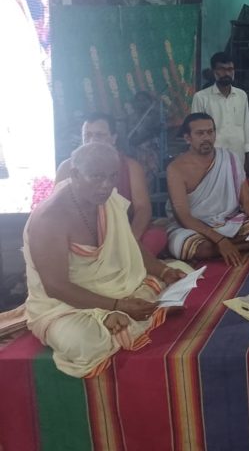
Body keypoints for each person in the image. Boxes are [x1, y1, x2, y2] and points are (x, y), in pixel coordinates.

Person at [23, 143, 185, 378]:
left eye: (112, 176)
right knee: (84, 343)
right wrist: (117, 306)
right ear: (75, 174)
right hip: (62, 305)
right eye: (97, 177)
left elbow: (129, 244)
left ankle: (121, 319)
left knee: (179, 271)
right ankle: (125, 317)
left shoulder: (107, 200)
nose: (106, 185)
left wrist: (163, 271)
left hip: (112, 288)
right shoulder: (50, 218)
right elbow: (55, 287)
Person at [166, 113, 249, 266]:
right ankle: (244, 245)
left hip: (228, 222)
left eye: (210, 132)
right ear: (188, 138)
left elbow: (246, 197)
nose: (206, 137)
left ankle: (232, 245)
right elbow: (183, 216)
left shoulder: (229, 158)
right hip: (195, 228)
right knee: (187, 245)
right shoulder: (176, 168)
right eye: (200, 133)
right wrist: (220, 240)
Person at [56, 113, 167, 257]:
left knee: (156, 236)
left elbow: (143, 208)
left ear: (113, 139)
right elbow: (58, 209)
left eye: (99, 135)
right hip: (82, 235)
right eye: (87, 135)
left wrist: (129, 239)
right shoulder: (67, 168)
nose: (92, 141)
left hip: (123, 232)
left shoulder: (131, 167)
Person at [191, 52, 249, 169]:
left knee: (237, 181)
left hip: (237, 153)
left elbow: (246, 125)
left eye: (230, 69)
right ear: (214, 71)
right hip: (211, 156)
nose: (227, 73)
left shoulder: (241, 95)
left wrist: (248, 152)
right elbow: (195, 129)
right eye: (222, 69)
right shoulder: (201, 97)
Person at [127, 90, 161, 193]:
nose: (141, 103)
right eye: (138, 100)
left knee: (149, 177)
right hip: (135, 152)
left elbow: (154, 131)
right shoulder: (131, 118)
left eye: (144, 100)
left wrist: (139, 140)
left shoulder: (154, 115)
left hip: (149, 151)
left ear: (149, 102)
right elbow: (130, 137)